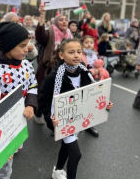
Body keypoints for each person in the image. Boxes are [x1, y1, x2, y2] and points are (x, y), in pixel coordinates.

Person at [38, 39, 113, 179]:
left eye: (79, 52)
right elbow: (44, 100)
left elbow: (94, 92)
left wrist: (105, 104)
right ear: (61, 55)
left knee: (66, 148)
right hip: (64, 121)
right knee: (76, 154)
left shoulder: (84, 71)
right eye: (71, 52)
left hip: (79, 119)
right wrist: (49, 117)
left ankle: (58, 170)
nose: (76, 55)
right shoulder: (53, 77)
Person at [0, 22, 37, 179]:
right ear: (9, 46)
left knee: (8, 161)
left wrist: (30, 105)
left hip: (16, 121)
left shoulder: (27, 65)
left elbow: (33, 86)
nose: (26, 49)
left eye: (27, 45)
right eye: (22, 46)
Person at [35, 3, 73, 124]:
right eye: (61, 19)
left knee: (60, 93)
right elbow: (40, 37)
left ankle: (57, 117)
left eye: (66, 20)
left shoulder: (70, 35)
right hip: (49, 67)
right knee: (44, 91)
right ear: (56, 22)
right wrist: (42, 16)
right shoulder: (50, 32)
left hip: (64, 68)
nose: (64, 21)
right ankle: (39, 112)